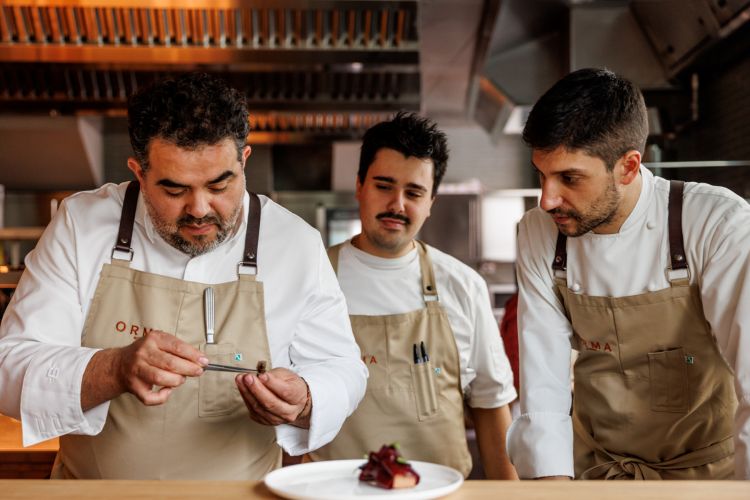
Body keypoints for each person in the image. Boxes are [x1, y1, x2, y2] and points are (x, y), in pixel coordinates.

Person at [0, 72, 367, 479]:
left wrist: (306, 399)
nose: (199, 209)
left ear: (243, 161)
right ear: (138, 173)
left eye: (220, 185)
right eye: (174, 189)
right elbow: (9, 365)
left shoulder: (294, 242)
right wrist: (115, 368)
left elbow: (343, 368)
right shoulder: (80, 224)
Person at [507, 68, 750, 479]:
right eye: (541, 175)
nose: (547, 199)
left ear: (628, 166)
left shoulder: (716, 223)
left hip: (709, 477)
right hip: (599, 472)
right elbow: (542, 389)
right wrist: (552, 488)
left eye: (569, 178)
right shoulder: (539, 233)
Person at [309, 112, 518, 479]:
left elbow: (491, 403)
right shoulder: (312, 280)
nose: (397, 205)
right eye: (384, 186)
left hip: (441, 495)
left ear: (431, 200)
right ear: (359, 185)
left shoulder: (463, 285)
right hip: (336, 494)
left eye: (414, 192)